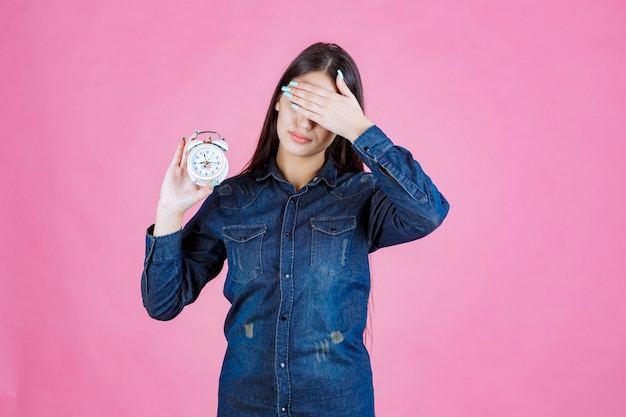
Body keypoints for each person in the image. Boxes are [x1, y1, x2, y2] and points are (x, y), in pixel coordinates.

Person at [142, 42, 450, 417]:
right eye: (298, 102)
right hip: (246, 404)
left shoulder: (363, 196)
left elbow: (428, 212)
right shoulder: (232, 198)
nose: (305, 122)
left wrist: (360, 129)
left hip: (338, 404)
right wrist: (170, 210)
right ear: (277, 101)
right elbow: (162, 303)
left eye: (323, 112)